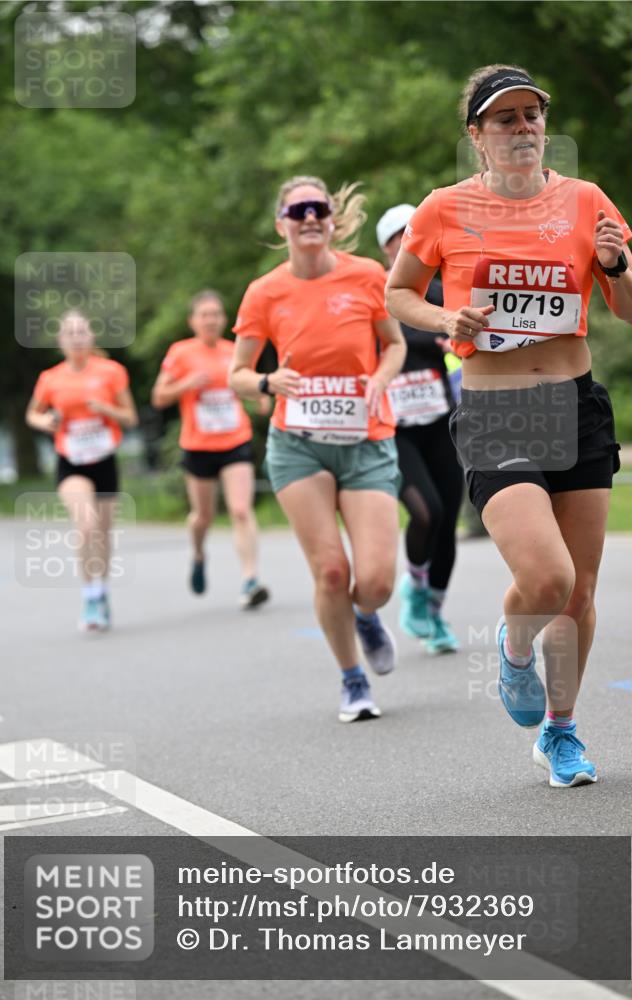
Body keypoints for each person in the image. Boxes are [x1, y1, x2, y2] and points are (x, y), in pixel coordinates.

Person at [386, 64, 632, 786]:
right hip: (498, 409)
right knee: (545, 575)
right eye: (504, 118)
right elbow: (398, 292)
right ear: (476, 135)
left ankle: (560, 733)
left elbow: (631, 306)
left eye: (531, 114)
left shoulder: (583, 200)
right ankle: (510, 648)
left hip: (575, 403)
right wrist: (446, 318)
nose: (523, 127)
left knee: (579, 591)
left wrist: (613, 263)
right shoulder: (442, 209)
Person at [230, 175, 406, 722]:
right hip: (298, 445)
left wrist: (378, 378)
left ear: (332, 219)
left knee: (373, 580)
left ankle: (367, 614)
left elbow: (395, 345)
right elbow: (236, 372)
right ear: (282, 223)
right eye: (298, 209)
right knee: (331, 572)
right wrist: (265, 383)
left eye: (319, 208)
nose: (310, 217)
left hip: (365, 441)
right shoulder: (265, 291)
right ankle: (353, 680)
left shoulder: (368, 275)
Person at [377, 204, 464, 653]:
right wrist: (432, 338)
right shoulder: (377, 293)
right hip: (396, 429)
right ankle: (414, 586)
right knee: (425, 511)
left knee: (447, 520)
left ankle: (434, 611)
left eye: (414, 235)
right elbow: (401, 336)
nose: (407, 245)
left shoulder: (441, 290)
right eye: (398, 239)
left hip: (443, 422)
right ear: (387, 248)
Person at [151, 290, 270, 609]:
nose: (211, 319)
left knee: (241, 511)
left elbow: (251, 383)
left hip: (235, 441)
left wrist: (260, 396)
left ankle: (250, 580)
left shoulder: (234, 352)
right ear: (193, 321)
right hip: (198, 446)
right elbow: (159, 397)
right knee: (202, 516)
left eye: (216, 313)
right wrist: (186, 384)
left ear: (223, 319)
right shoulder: (180, 353)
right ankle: (199, 554)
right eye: (204, 314)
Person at [26, 310, 138, 631]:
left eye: (82, 332)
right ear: (61, 341)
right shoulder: (51, 378)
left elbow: (130, 418)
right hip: (71, 461)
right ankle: (89, 595)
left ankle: (101, 590)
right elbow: (32, 414)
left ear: (91, 337)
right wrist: (45, 421)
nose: (76, 338)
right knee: (86, 524)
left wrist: (106, 409)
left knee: (102, 533)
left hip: (104, 460)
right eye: (70, 333)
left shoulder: (111, 372)